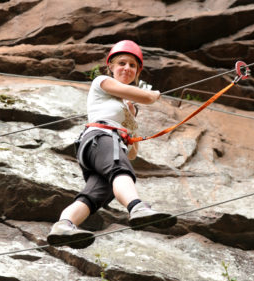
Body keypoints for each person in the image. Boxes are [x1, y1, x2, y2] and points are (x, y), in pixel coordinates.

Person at [47, 40, 177, 249]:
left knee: (94, 195)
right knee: (120, 169)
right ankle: (137, 207)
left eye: (132, 66)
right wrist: (152, 96)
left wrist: (129, 137)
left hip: (101, 147)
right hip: (101, 138)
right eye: (122, 63)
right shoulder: (101, 82)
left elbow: (132, 154)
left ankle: (64, 225)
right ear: (111, 67)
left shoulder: (130, 110)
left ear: (137, 72)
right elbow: (146, 97)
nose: (127, 68)